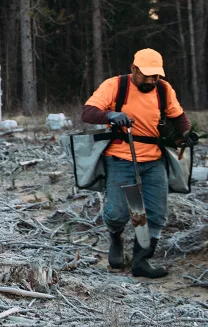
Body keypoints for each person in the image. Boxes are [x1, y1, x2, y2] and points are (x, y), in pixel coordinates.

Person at [82, 49, 198, 278]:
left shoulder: (164, 89)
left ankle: (141, 262)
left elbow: (177, 115)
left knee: (156, 214)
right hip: (120, 158)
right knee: (118, 213)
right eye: (147, 75)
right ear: (133, 69)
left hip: (154, 159)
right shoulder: (115, 86)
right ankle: (116, 236)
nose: (152, 80)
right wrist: (111, 116)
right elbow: (88, 112)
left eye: (156, 76)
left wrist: (186, 133)